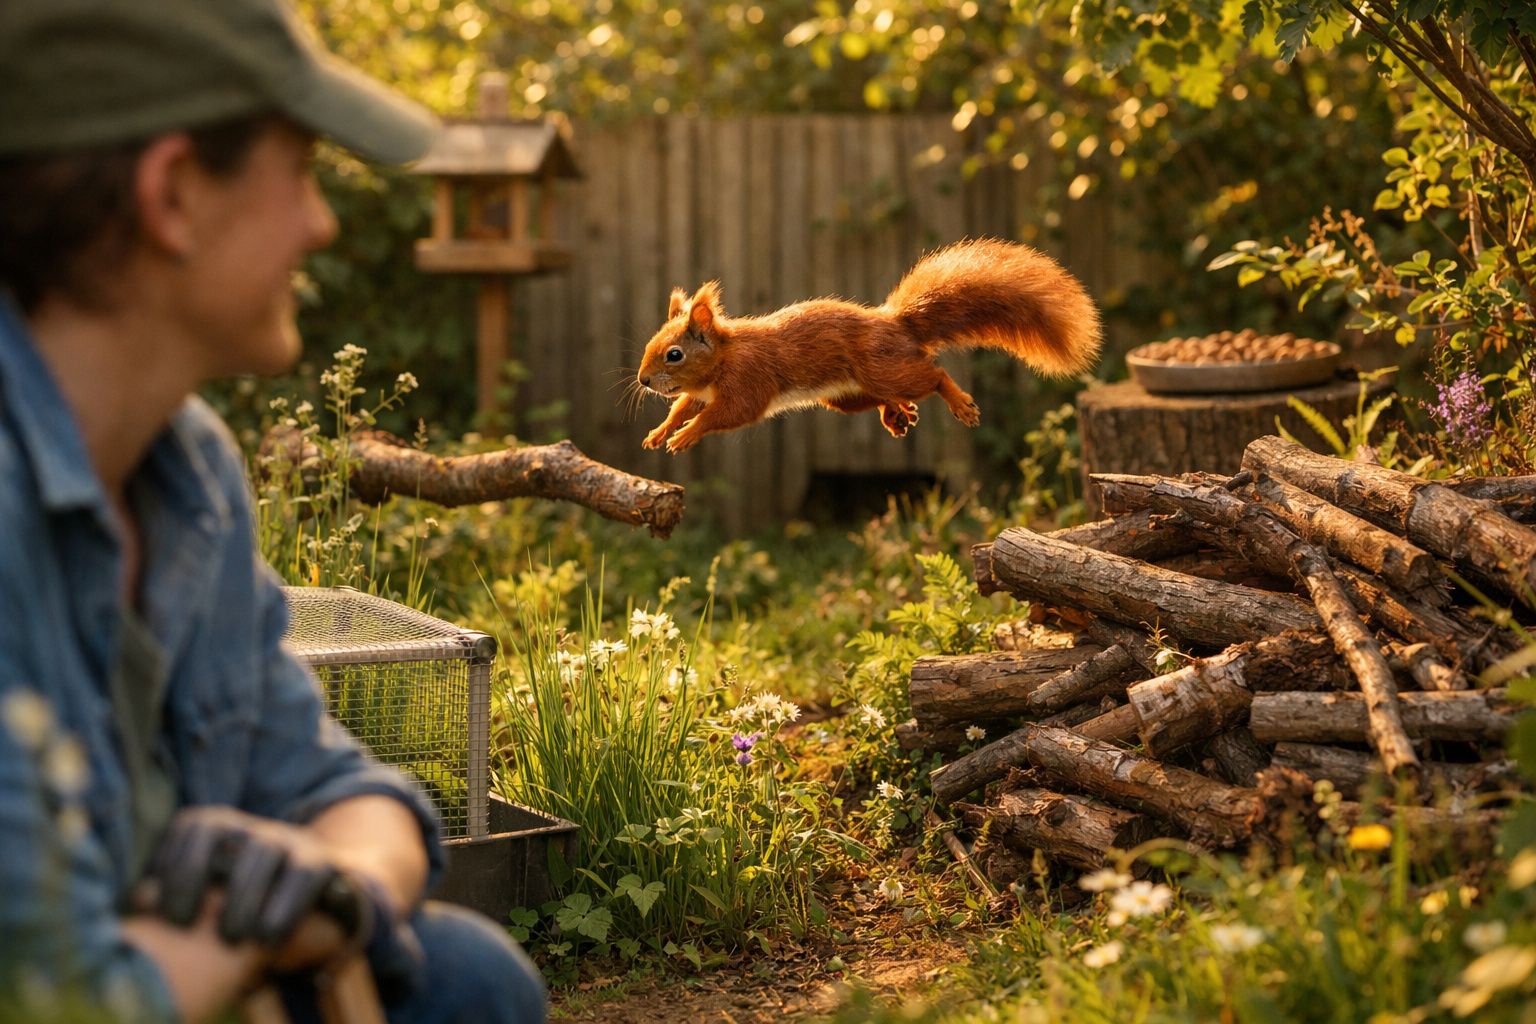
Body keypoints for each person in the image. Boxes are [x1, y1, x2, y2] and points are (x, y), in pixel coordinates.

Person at [0, 1, 547, 1021]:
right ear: (173, 195)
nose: (321, 221)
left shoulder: (187, 468)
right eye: (299, 171)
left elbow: (333, 784)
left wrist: (337, 886)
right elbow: (53, 992)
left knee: (469, 982)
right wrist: (241, 934)